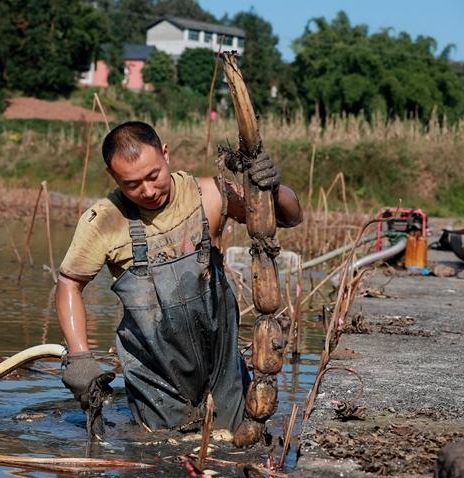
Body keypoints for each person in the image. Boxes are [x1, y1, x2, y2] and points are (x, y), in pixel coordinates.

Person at [55, 121, 302, 436]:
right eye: (132, 184)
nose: (147, 190)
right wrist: (79, 357)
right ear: (113, 177)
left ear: (166, 155)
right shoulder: (103, 222)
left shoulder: (208, 194)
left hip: (222, 367)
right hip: (154, 377)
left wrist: (272, 188)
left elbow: (288, 218)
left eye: (153, 175)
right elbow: (69, 284)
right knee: (161, 461)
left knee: (236, 445)